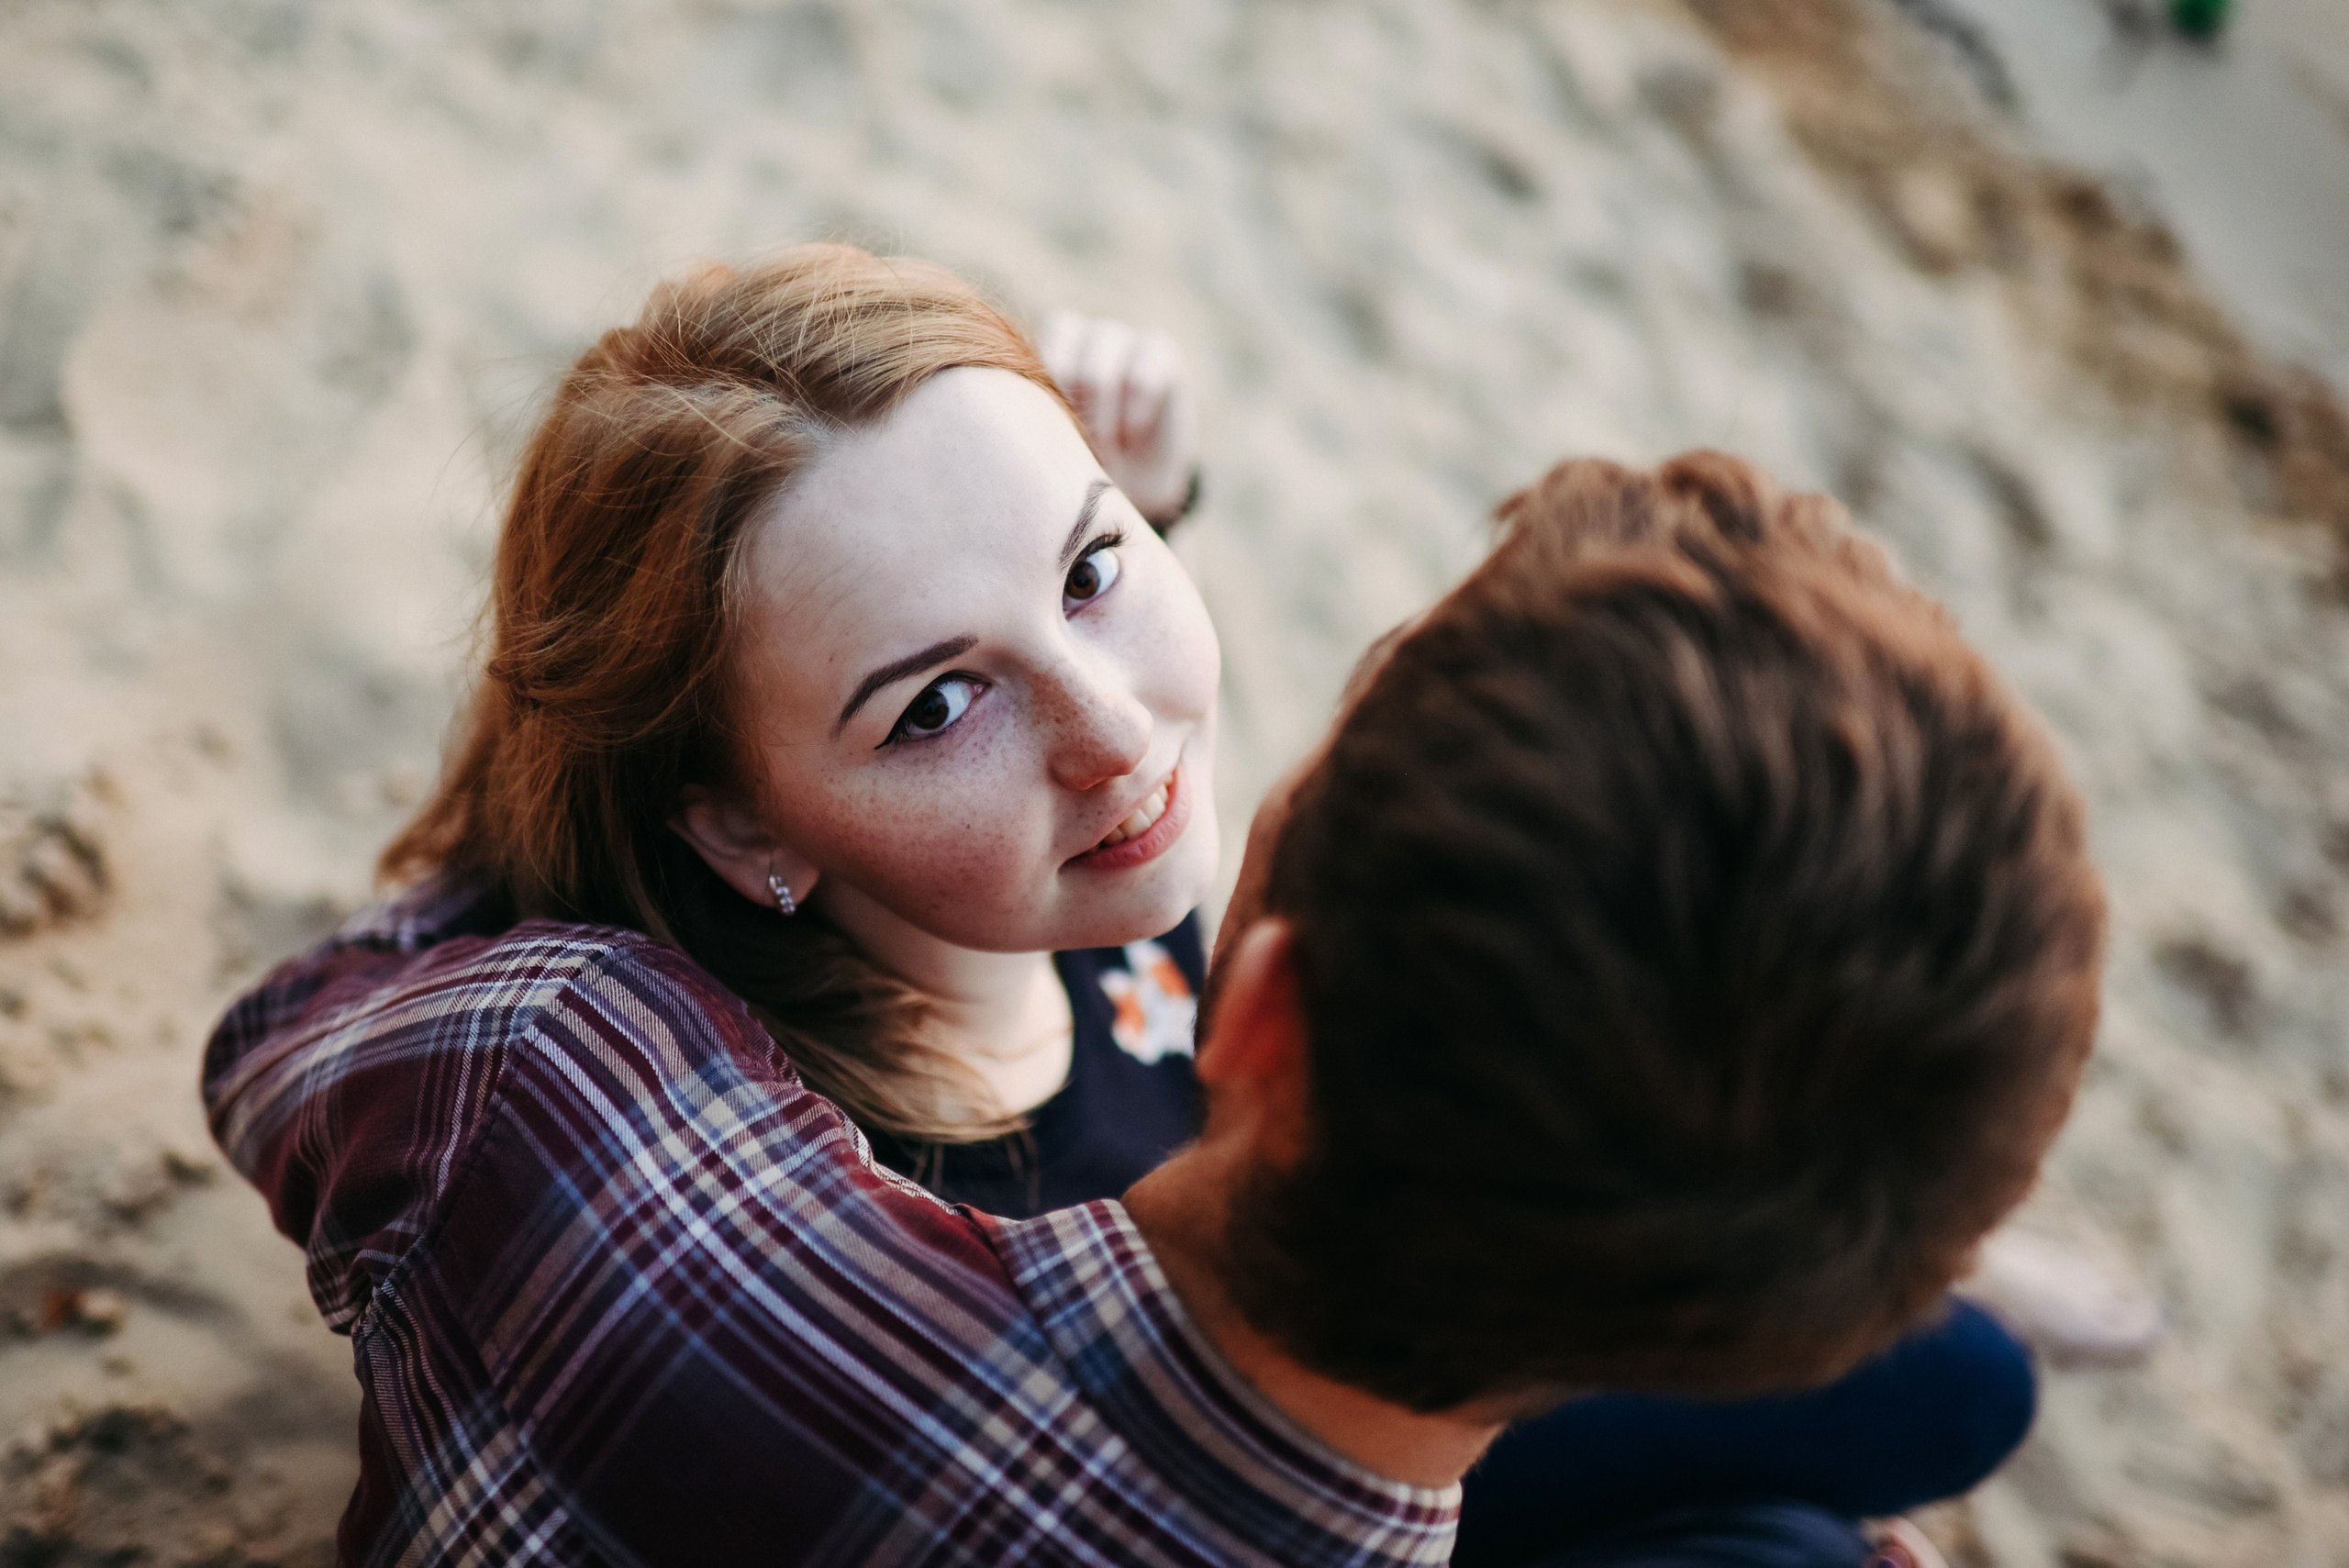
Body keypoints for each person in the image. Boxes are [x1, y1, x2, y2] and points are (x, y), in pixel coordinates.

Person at [203, 248, 2106, 1563]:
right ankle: (1825, 1205)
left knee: (1959, 1372)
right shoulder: (896, 1157)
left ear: (1259, 1017)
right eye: (933, 701)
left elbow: (313, 1034)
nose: (1123, 747)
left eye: (1102, 563)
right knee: (1931, 1399)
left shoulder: (556, 1072)